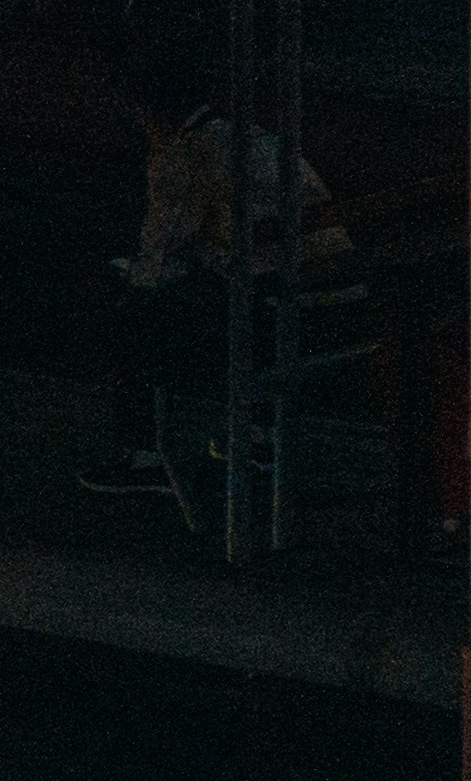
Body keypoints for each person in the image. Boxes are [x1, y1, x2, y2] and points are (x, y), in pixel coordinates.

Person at [90, 60, 363, 506]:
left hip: (286, 319)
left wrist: (130, 274)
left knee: (136, 312)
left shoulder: (188, 155)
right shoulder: (254, 139)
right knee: (223, 292)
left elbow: (161, 257)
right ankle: (255, 435)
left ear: (148, 113)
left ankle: (143, 454)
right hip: (341, 307)